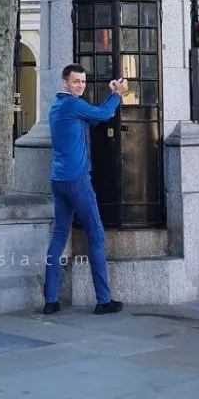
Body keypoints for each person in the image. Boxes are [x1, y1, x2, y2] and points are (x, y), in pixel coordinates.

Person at [43, 64, 128, 315]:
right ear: (64, 82)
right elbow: (102, 116)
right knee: (96, 236)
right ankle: (103, 300)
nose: (80, 85)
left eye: (83, 81)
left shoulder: (57, 106)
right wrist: (117, 93)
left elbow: (87, 120)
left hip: (58, 180)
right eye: (75, 81)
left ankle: (50, 299)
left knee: (59, 236)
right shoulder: (72, 105)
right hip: (77, 181)